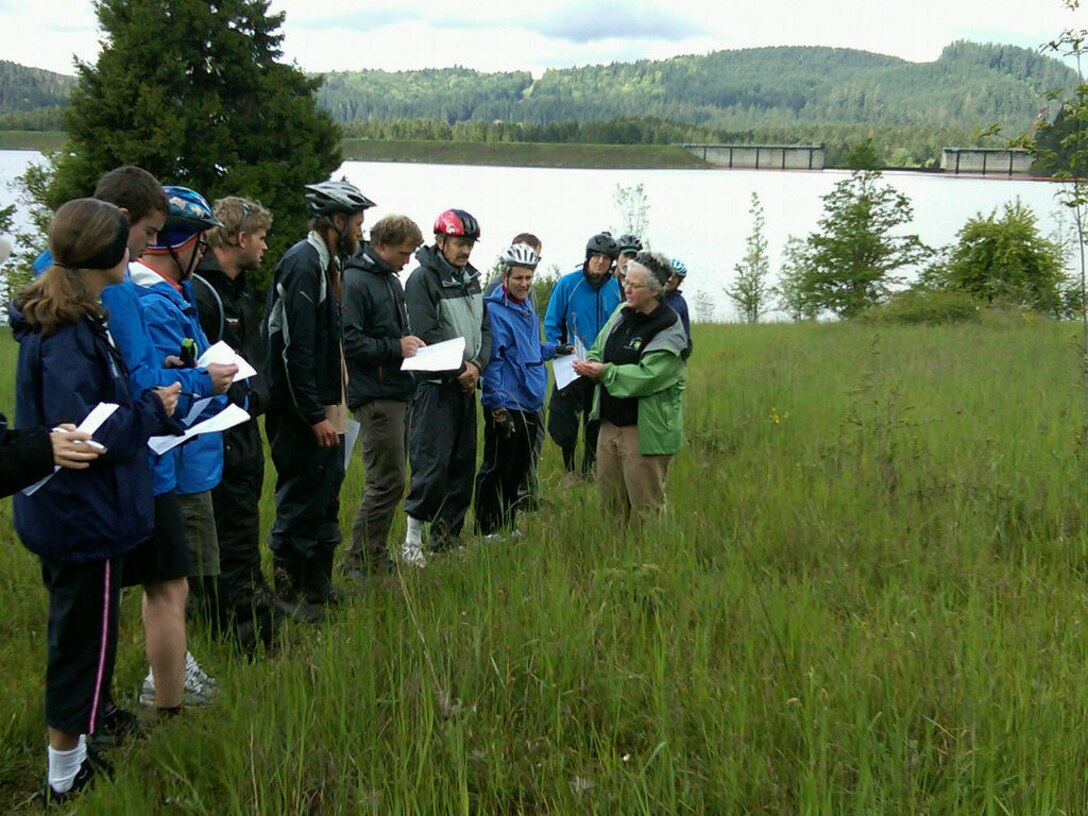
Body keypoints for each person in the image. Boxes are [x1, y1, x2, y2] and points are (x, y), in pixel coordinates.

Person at [11, 198, 179, 802]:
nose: (137, 249)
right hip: (84, 517)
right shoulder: (68, 335)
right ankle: (66, 776)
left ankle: (73, 759)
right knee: (85, 645)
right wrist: (151, 409)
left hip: (75, 514)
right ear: (105, 254)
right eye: (129, 242)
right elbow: (86, 433)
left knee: (82, 640)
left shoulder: (68, 320)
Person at [92, 169, 230, 716]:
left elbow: (143, 369)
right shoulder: (126, 289)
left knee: (159, 583)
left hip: (149, 452)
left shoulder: (118, 282)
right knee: (148, 587)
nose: (149, 244)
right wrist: (201, 381)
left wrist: (180, 373)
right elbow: (145, 382)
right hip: (147, 455)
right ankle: (147, 702)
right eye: (147, 231)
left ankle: (111, 711)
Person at [128, 185, 235, 704]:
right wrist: (210, 388)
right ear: (177, 243)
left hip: (190, 458)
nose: (203, 253)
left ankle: (174, 666)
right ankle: (166, 678)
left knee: (180, 579)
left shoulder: (176, 295)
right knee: (173, 580)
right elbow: (164, 394)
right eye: (199, 242)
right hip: (175, 458)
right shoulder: (155, 302)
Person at [193, 196, 300, 646]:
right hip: (216, 431)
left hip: (244, 427)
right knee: (226, 527)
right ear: (239, 238)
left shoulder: (240, 289)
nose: (264, 246)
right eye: (259, 237)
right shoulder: (203, 292)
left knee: (243, 521)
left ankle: (252, 600)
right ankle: (233, 624)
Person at [263, 179, 374, 611]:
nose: (360, 233)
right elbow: (295, 349)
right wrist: (313, 415)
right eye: (358, 224)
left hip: (330, 402)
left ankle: (318, 585)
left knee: (326, 492)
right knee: (299, 497)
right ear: (337, 220)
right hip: (300, 410)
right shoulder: (303, 263)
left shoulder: (330, 264)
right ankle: (289, 595)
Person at [402, 209, 492, 564]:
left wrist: (477, 366)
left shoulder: (471, 278)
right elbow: (426, 332)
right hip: (435, 386)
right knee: (431, 465)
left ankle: (447, 540)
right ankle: (413, 540)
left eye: (469, 244)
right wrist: (461, 369)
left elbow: (484, 328)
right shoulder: (422, 279)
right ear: (440, 241)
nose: (465, 250)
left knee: (462, 465)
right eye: (459, 243)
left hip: (466, 385)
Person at [573, 251, 686, 526]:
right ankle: (615, 562)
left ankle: (650, 564)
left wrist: (605, 372)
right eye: (625, 281)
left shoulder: (669, 328)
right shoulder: (622, 312)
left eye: (635, 285)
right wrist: (593, 362)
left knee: (646, 508)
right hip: (609, 425)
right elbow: (600, 346)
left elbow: (648, 377)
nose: (627, 288)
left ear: (655, 290)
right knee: (610, 506)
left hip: (645, 430)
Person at [342, 215, 426, 578]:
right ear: (382, 245)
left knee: (394, 480)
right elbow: (350, 341)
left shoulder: (390, 280)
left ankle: (374, 555)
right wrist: (396, 347)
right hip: (375, 396)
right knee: (385, 481)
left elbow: (396, 329)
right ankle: (358, 561)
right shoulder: (355, 280)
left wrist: (410, 342)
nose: (407, 261)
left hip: (398, 390)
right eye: (404, 253)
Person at [475, 243, 571, 537]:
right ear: (505, 277)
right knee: (496, 468)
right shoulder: (493, 309)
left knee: (518, 468)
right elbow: (493, 361)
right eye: (518, 278)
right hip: (506, 401)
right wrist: (497, 406)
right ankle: (487, 529)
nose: (525, 284)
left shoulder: (528, 305)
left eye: (529, 278)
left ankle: (509, 523)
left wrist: (554, 349)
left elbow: (530, 349)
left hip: (530, 399)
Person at [543, 231, 622, 485]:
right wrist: (558, 348)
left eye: (606, 258)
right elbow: (552, 320)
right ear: (587, 257)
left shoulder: (615, 288)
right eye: (596, 257)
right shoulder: (568, 283)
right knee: (566, 418)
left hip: (599, 364)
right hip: (572, 362)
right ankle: (569, 469)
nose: (600, 262)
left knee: (594, 416)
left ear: (612, 262)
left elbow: (619, 321)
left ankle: (589, 468)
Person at [665, 257, 692, 344]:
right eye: (668, 274)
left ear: (679, 282)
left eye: (674, 277)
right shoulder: (650, 296)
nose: (670, 279)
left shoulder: (679, 303)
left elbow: (685, 333)